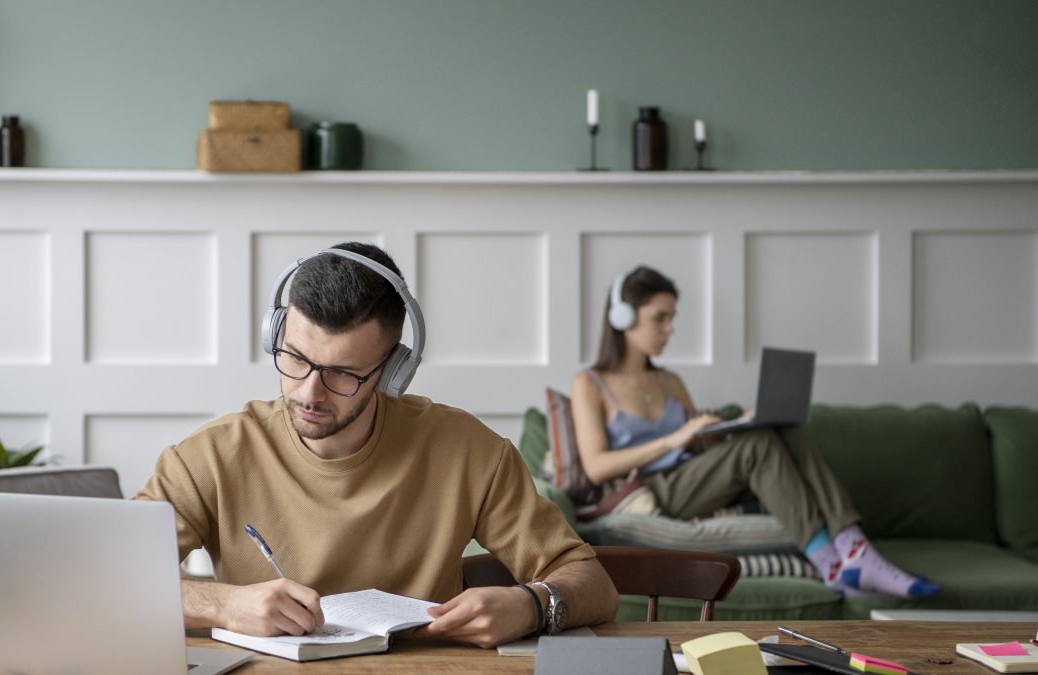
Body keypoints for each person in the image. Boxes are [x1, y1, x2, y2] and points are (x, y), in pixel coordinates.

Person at [136, 241, 618, 648]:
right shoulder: (211, 456)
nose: (308, 391)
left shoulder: (471, 452)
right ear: (275, 335)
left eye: (342, 373)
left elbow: (592, 583)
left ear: (392, 373)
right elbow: (107, 580)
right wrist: (224, 603)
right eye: (295, 358)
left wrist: (532, 606)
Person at [569, 265, 938, 598]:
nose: (670, 329)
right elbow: (597, 467)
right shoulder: (590, 383)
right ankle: (838, 565)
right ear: (623, 317)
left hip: (694, 476)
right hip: (651, 488)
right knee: (757, 446)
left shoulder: (670, 381)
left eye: (672, 318)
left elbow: (700, 448)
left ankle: (852, 548)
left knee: (780, 427)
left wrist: (736, 428)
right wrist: (674, 439)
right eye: (659, 318)